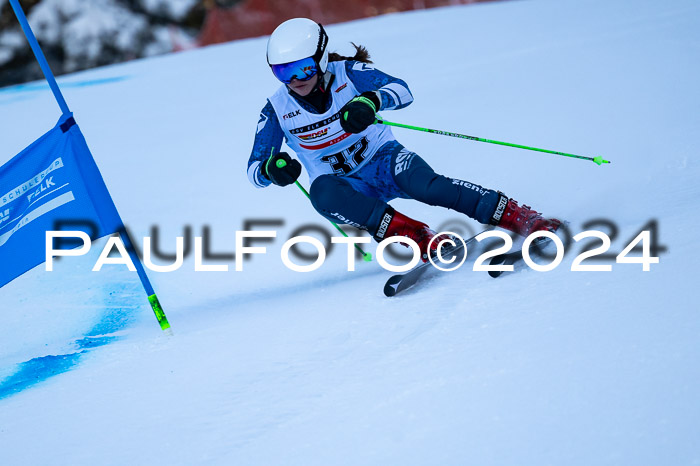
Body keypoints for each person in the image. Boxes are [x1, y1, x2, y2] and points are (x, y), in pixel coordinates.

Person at [248, 18, 560, 261]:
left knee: (428, 186)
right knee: (322, 193)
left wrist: (371, 100)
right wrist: (270, 170)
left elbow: (401, 90)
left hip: (385, 161)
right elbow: (254, 169)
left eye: (302, 68)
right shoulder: (277, 109)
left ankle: (517, 216)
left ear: (320, 59)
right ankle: (418, 236)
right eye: (283, 72)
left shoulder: (349, 73)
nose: (295, 80)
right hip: (347, 189)